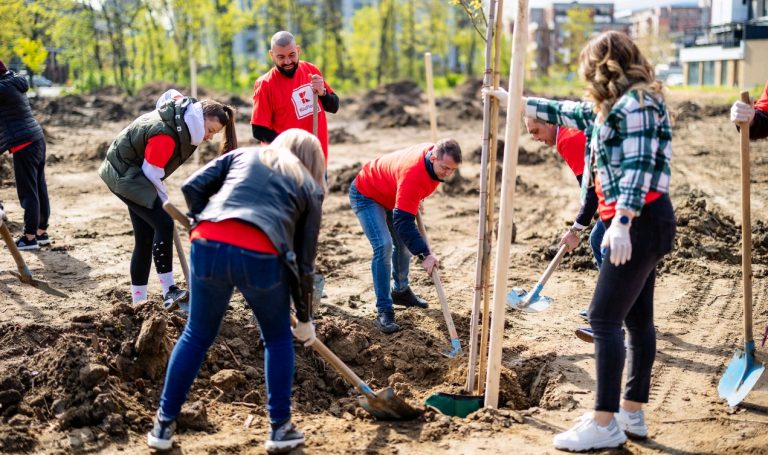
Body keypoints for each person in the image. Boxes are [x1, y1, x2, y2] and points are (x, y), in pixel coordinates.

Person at [523, 31, 675, 451]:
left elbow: (640, 167)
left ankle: (603, 421)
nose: (586, 72)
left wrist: (621, 222)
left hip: (639, 223)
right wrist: (515, 99)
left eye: (590, 64)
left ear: (605, 65)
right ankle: (631, 414)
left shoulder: (639, 104)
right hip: (643, 224)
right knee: (637, 321)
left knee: (603, 319)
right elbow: (567, 111)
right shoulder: (611, 109)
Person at [146, 129, 325, 453]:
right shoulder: (309, 187)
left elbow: (192, 186)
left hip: (207, 242)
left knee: (196, 334)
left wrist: (200, 219)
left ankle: (163, 424)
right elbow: (304, 264)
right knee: (277, 338)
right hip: (261, 256)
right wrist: (305, 318)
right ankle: (280, 428)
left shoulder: (244, 154)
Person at [98, 89, 237, 309]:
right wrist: (164, 202)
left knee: (145, 237)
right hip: (125, 174)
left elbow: (169, 94)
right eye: (210, 130)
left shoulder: (184, 114)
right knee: (164, 222)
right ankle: (170, 291)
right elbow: (152, 173)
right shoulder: (167, 134)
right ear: (200, 118)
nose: (209, 137)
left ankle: (139, 302)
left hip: (132, 172)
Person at [349, 139, 462, 333]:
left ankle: (400, 291)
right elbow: (403, 223)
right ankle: (384, 309)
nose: (448, 174)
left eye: (453, 170)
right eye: (445, 168)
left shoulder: (433, 159)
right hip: (367, 194)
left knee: (402, 245)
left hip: (392, 193)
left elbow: (408, 190)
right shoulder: (414, 173)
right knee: (383, 246)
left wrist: (415, 197)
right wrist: (425, 254)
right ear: (433, 158)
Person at [251, 31, 340, 163]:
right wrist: (291, 147)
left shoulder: (311, 70)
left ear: (298, 50)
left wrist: (323, 93)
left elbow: (334, 106)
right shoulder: (265, 85)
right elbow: (258, 130)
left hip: (317, 160)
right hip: (286, 164)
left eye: (292, 55)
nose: (287, 62)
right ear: (271, 55)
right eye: (281, 57)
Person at [0, 60, 52, 250]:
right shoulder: (13, 82)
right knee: (39, 187)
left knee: (28, 191)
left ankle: (29, 238)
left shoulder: (3, 89)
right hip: (36, 138)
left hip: (24, 144)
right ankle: (41, 231)